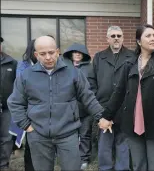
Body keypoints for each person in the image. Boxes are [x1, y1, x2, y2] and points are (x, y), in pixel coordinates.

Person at [7, 35, 111, 171]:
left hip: (68, 134)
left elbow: (88, 97)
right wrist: (26, 126)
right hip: (38, 135)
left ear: (57, 51)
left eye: (51, 52)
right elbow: (15, 102)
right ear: (36, 54)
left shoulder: (73, 73)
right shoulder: (26, 76)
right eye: (43, 54)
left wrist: (101, 116)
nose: (48, 57)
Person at [100, 24, 154, 170]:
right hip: (133, 124)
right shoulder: (129, 64)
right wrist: (107, 116)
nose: (152, 39)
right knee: (138, 166)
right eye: (148, 36)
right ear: (139, 41)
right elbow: (119, 93)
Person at [92, 26, 134, 171]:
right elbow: (92, 82)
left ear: (123, 38)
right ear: (107, 39)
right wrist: (96, 105)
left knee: (123, 142)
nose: (116, 38)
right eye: (113, 36)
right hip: (104, 107)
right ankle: (105, 168)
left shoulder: (132, 56)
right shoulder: (99, 57)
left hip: (125, 106)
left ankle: (123, 168)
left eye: (119, 35)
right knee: (104, 143)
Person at [63, 43, 98, 170]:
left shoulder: (90, 68)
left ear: (83, 54)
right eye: (74, 52)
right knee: (69, 136)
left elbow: (94, 87)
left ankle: (84, 159)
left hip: (85, 109)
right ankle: (71, 159)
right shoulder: (64, 67)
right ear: (70, 54)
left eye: (80, 52)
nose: (77, 54)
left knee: (85, 135)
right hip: (68, 110)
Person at [9, 39, 37, 171]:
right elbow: (22, 86)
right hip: (27, 109)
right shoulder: (23, 65)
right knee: (30, 143)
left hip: (42, 110)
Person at [0, 36, 17, 170]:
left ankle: (4, 165)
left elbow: (17, 85)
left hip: (7, 108)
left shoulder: (12, 63)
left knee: (6, 138)